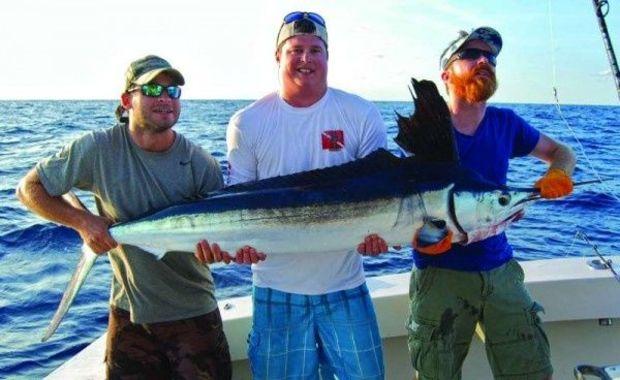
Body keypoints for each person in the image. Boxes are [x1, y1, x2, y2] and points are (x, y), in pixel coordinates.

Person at [16, 55, 232, 379]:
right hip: (129, 315)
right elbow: (29, 188)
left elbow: (219, 245)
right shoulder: (97, 149)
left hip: (195, 316)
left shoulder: (201, 163)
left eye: (173, 92)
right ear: (127, 99)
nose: (165, 98)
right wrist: (83, 223)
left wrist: (219, 253)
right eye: (153, 88)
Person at [223, 11, 389, 380]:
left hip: (346, 284)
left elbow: (384, 195)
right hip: (274, 288)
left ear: (328, 57)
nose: (306, 59)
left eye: (316, 50)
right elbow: (236, 208)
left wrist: (384, 236)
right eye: (295, 49)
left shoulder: (360, 114)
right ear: (278, 56)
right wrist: (237, 246)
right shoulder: (247, 122)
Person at [406, 27, 576, 380]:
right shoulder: (429, 134)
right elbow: (406, 210)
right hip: (440, 276)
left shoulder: (506, 124)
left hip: (500, 271)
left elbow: (562, 152)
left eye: (491, 57)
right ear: (445, 74)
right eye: (470, 54)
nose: (485, 60)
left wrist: (558, 173)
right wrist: (419, 239)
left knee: (533, 373)